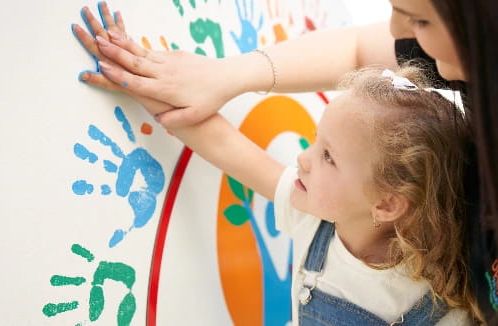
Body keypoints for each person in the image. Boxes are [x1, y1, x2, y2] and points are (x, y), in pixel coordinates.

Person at [73, 1, 498, 323]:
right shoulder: (313, 218)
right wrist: (135, 75)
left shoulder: (440, 290)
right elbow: (222, 144)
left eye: (328, 157)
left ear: (388, 203)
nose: (302, 158)